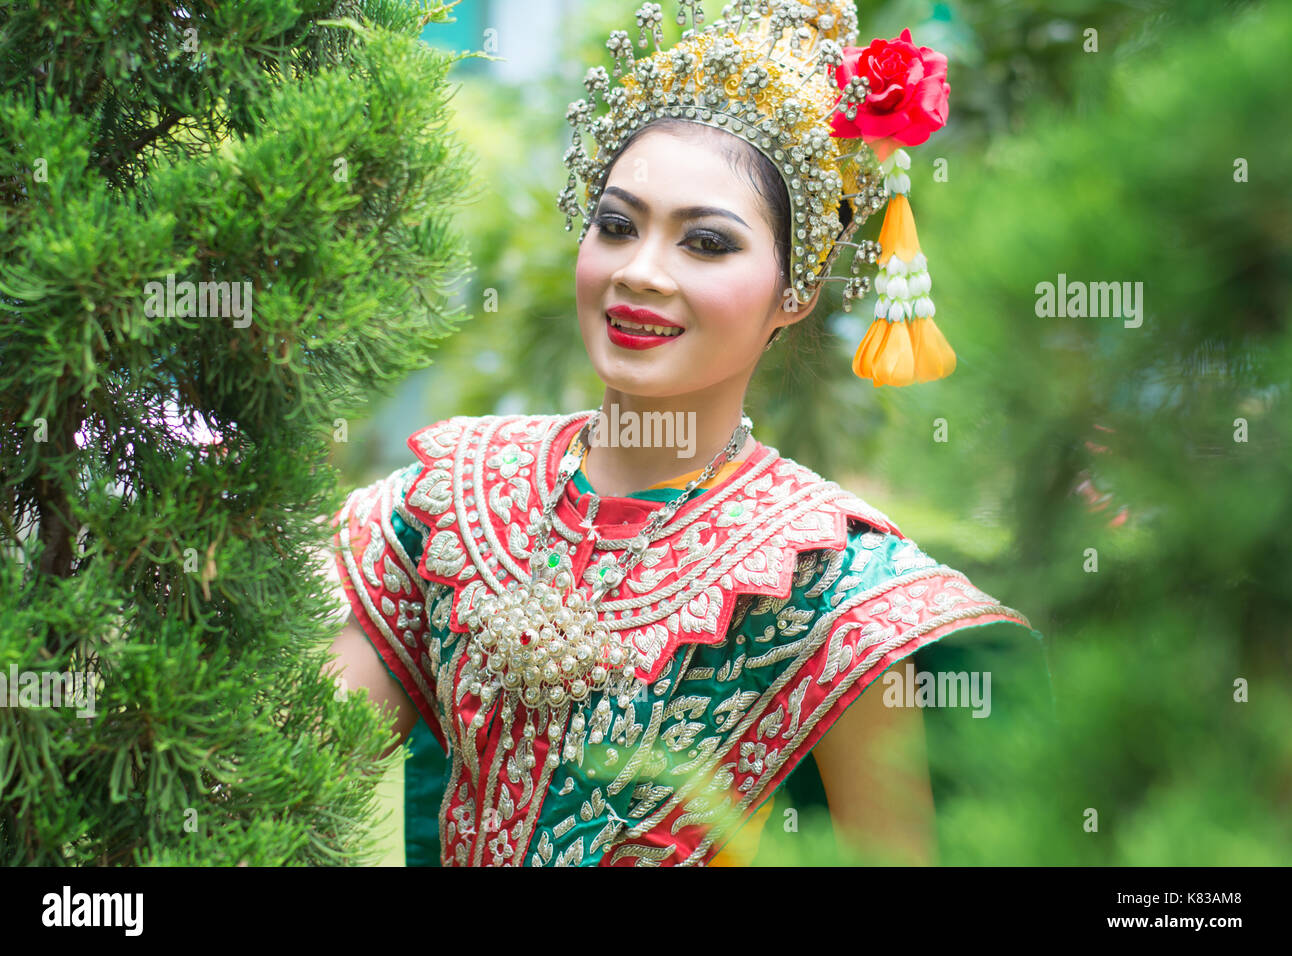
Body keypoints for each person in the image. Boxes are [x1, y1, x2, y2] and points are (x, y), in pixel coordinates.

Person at [325, 0, 1050, 867]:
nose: (639, 272)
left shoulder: (837, 590)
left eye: (705, 243)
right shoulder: (452, 497)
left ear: (796, 292)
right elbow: (280, 790)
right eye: (617, 225)